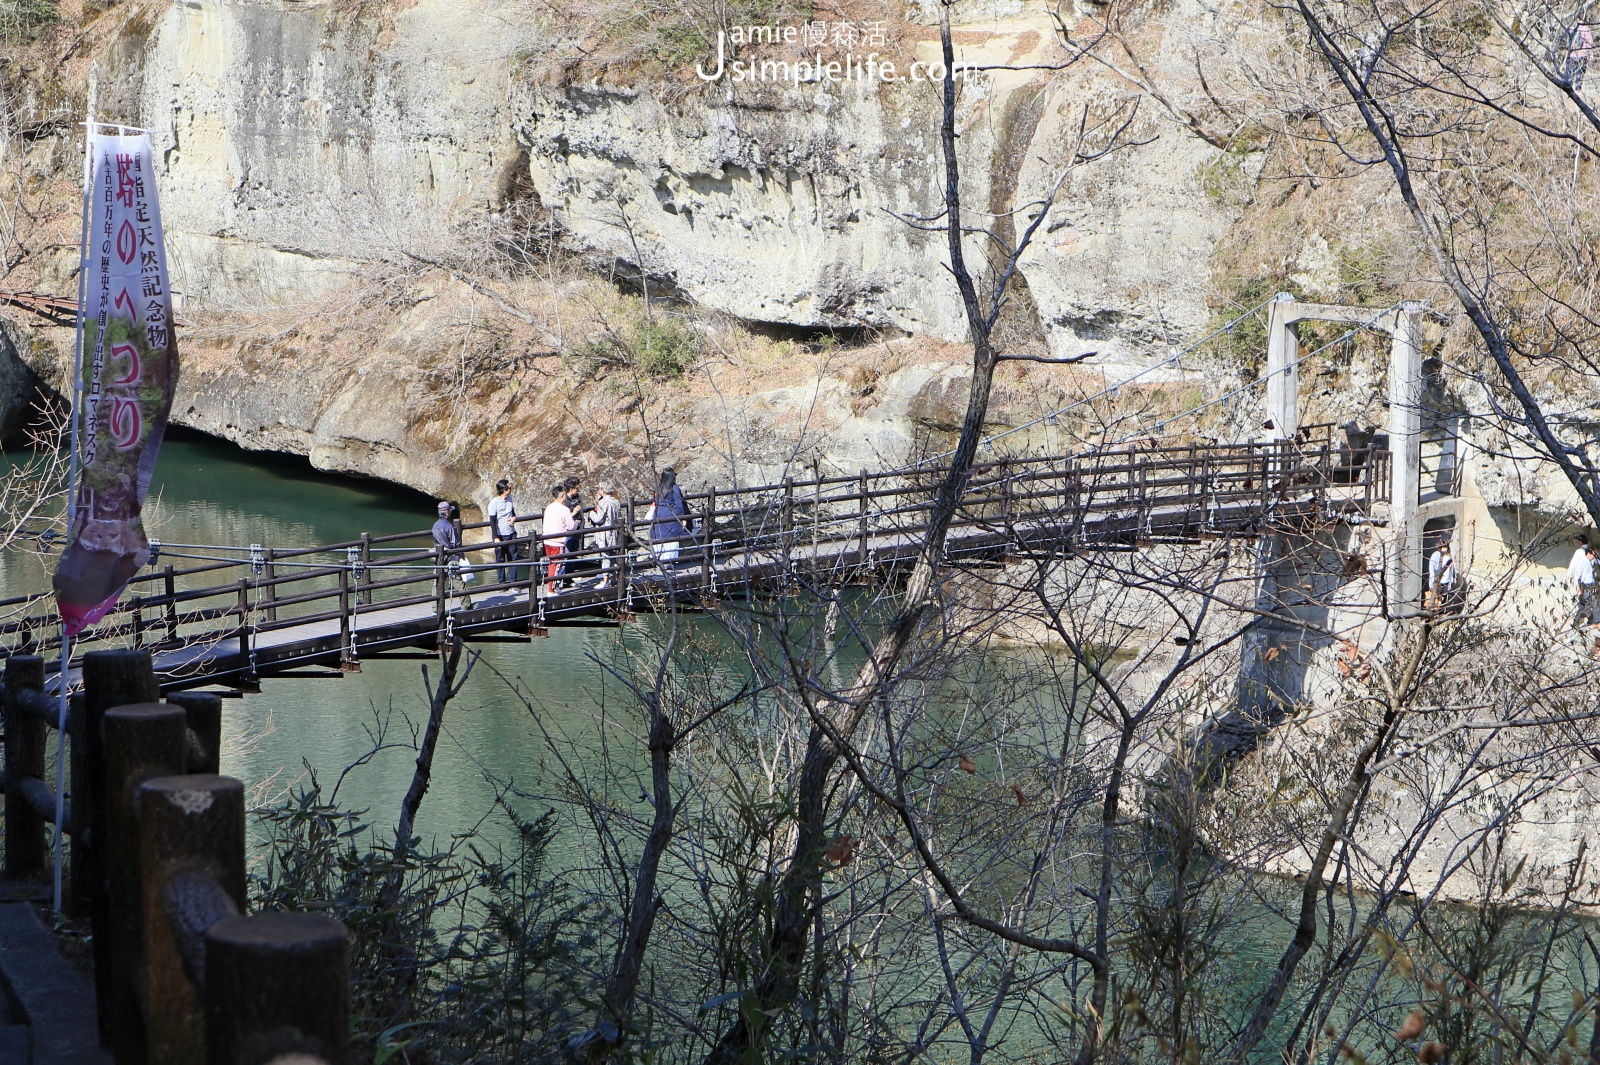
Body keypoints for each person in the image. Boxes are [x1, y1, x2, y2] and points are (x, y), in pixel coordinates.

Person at [432, 501, 472, 608]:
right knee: (458, 581)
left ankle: (435, 608)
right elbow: (455, 543)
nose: (450, 512)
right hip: (450, 557)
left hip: (439, 557)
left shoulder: (435, 526)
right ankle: (466, 604)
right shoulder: (449, 526)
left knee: (437, 582)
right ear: (446, 512)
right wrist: (461, 555)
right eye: (449, 510)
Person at [648, 467, 691, 565]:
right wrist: (683, 517)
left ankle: (659, 559)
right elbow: (679, 504)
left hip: (659, 514)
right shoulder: (674, 487)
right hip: (671, 515)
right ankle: (670, 561)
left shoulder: (658, 488)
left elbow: (655, 502)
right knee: (672, 537)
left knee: (661, 536)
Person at [542, 483, 577, 594]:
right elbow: (571, 526)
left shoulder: (548, 508)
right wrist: (576, 523)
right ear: (562, 496)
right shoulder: (564, 509)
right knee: (556, 565)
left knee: (552, 564)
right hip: (558, 541)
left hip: (547, 539)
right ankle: (551, 590)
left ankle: (554, 587)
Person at [588, 481, 623, 586]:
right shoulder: (616, 501)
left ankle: (605, 580)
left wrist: (591, 514)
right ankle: (616, 578)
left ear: (603, 490)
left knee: (605, 556)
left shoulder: (604, 502)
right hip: (614, 531)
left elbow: (599, 519)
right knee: (614, 556)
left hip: (604, 532)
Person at [487, 479, 522, 585]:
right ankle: (501, 583)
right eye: (508, 487)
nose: (510, 489)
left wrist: (513, 518)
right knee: (500, 559)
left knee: (513, 558)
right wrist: (495, 537)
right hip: (500, 534)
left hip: (511, 532)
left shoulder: (510, 499)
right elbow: (492, 521)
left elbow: (512, 512)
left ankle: (513, 582)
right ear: (503, 490)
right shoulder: (494, 503)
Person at [1569, 536, 1597, 629]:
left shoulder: (1580, 552)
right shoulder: (1588, 554)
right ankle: (1589, 620)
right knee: (1588, 602)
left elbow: (1574, 565)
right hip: (1587, 583)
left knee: (1584, 602)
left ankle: (1580, 622)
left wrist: (1569, 575)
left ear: (1580, 542)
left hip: (1585, 583)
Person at [1426, 536, 1459, 613]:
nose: (1444, 549)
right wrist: (1431, 583)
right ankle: (1433, 615)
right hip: (1437, 582)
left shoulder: (1448, 557)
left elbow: (1451, 571)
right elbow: (1431, 570)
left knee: (1443, 601)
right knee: (1435, 601)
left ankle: (1441, 614)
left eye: (1446, 547)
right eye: (1443, 547)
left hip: (1446, 583)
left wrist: (1451, 582)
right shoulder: (1435, 555)